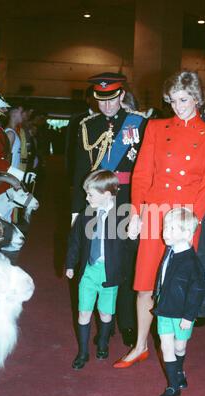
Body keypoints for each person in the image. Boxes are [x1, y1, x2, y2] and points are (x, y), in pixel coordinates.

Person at [113, 70, 205, 368]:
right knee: (145, 284)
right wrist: (136, 212)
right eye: (173, 100)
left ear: (197, 98)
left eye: (184, 99)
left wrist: (192, 224)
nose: (178, 106)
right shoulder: (155, 127)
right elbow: (142, 174)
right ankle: (139, 346)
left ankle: (176, 353)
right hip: (154, 211)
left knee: (178, 284)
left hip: (185, 218)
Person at [72, 72, 147, 348]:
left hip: (126, 200)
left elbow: (143, 167)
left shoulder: (139, 124)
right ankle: (104, 321)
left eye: (112, 100)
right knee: (94, 261)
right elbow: (80, 170)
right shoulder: (85, 126)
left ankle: (125, 321)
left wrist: (140, 208)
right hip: (95, 202)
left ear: (121, 96)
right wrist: (75, 212)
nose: (106, 106)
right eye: (101, 101)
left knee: (124, 263)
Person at [66, 169, 128, 369]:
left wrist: (136, 232)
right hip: (88, 271)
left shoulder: (122, 216)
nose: (86, 197)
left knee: (106, 315)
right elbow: (74, 241)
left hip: (109, 274)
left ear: (107, 195)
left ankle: (103, 341)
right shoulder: (86, 215)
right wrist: (70, 264)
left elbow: (130, 247)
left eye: (90, 194)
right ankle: (83, 352)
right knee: (83, 312)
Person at [153, 207, 205, 396]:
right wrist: (156, 295)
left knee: (179, 347)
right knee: (166, 347)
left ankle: (179, 371)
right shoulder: (169, 252)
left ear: (186, 234)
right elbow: (163, 278)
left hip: (183, 314)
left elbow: (198, 291)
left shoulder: (192, 262)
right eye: (165, 227)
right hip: (164, 309)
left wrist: (189, 316)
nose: (165, 232)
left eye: (171, 229)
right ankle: (173, 386)